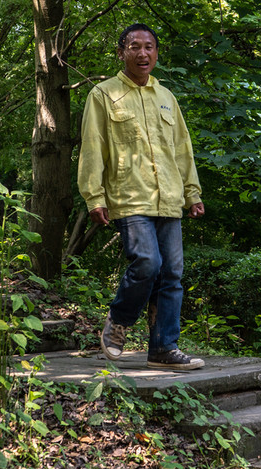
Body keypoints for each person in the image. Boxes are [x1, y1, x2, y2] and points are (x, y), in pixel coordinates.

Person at [77, 23, 206, 371]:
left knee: (173, 274)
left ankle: (164, 347)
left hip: (170, 198)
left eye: (149, 47)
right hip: (130, 196)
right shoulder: (103, 94)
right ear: (121, 53)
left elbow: (182, 150)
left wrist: (191, 192)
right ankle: (118, 322)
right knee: (147, 263)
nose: (142, 53)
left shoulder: (167, 98)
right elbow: (93, 148)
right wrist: (95, 197)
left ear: (157, 53)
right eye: (134, 46)